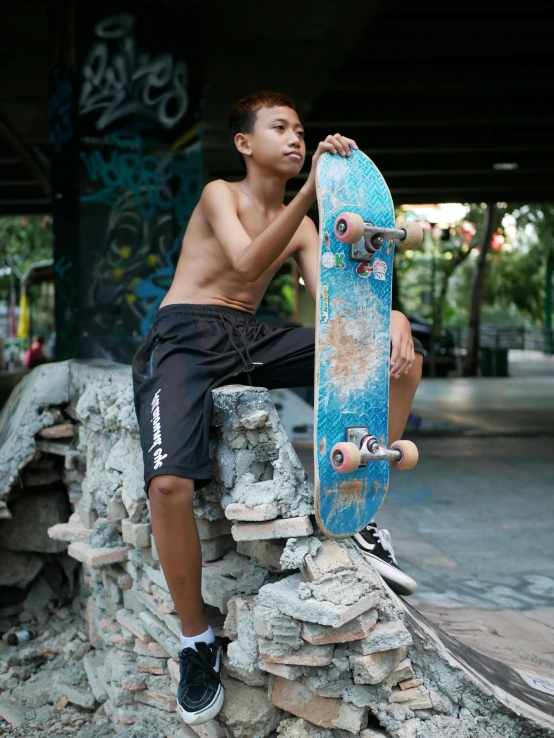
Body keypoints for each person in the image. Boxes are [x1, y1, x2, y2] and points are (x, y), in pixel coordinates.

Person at [132, 91, 424, 726]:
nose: (296, 139)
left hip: (250, 336)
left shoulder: (305, 227)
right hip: (183, 337)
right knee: (170, 485)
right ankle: (195, 641)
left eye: (301, 130)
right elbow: (244, 259)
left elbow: (341, 307)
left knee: (397, 353)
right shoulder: (220, 193)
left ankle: (359, 498)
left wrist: (390, 320)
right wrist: (313, 190)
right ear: (245, 143)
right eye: (280, 128)